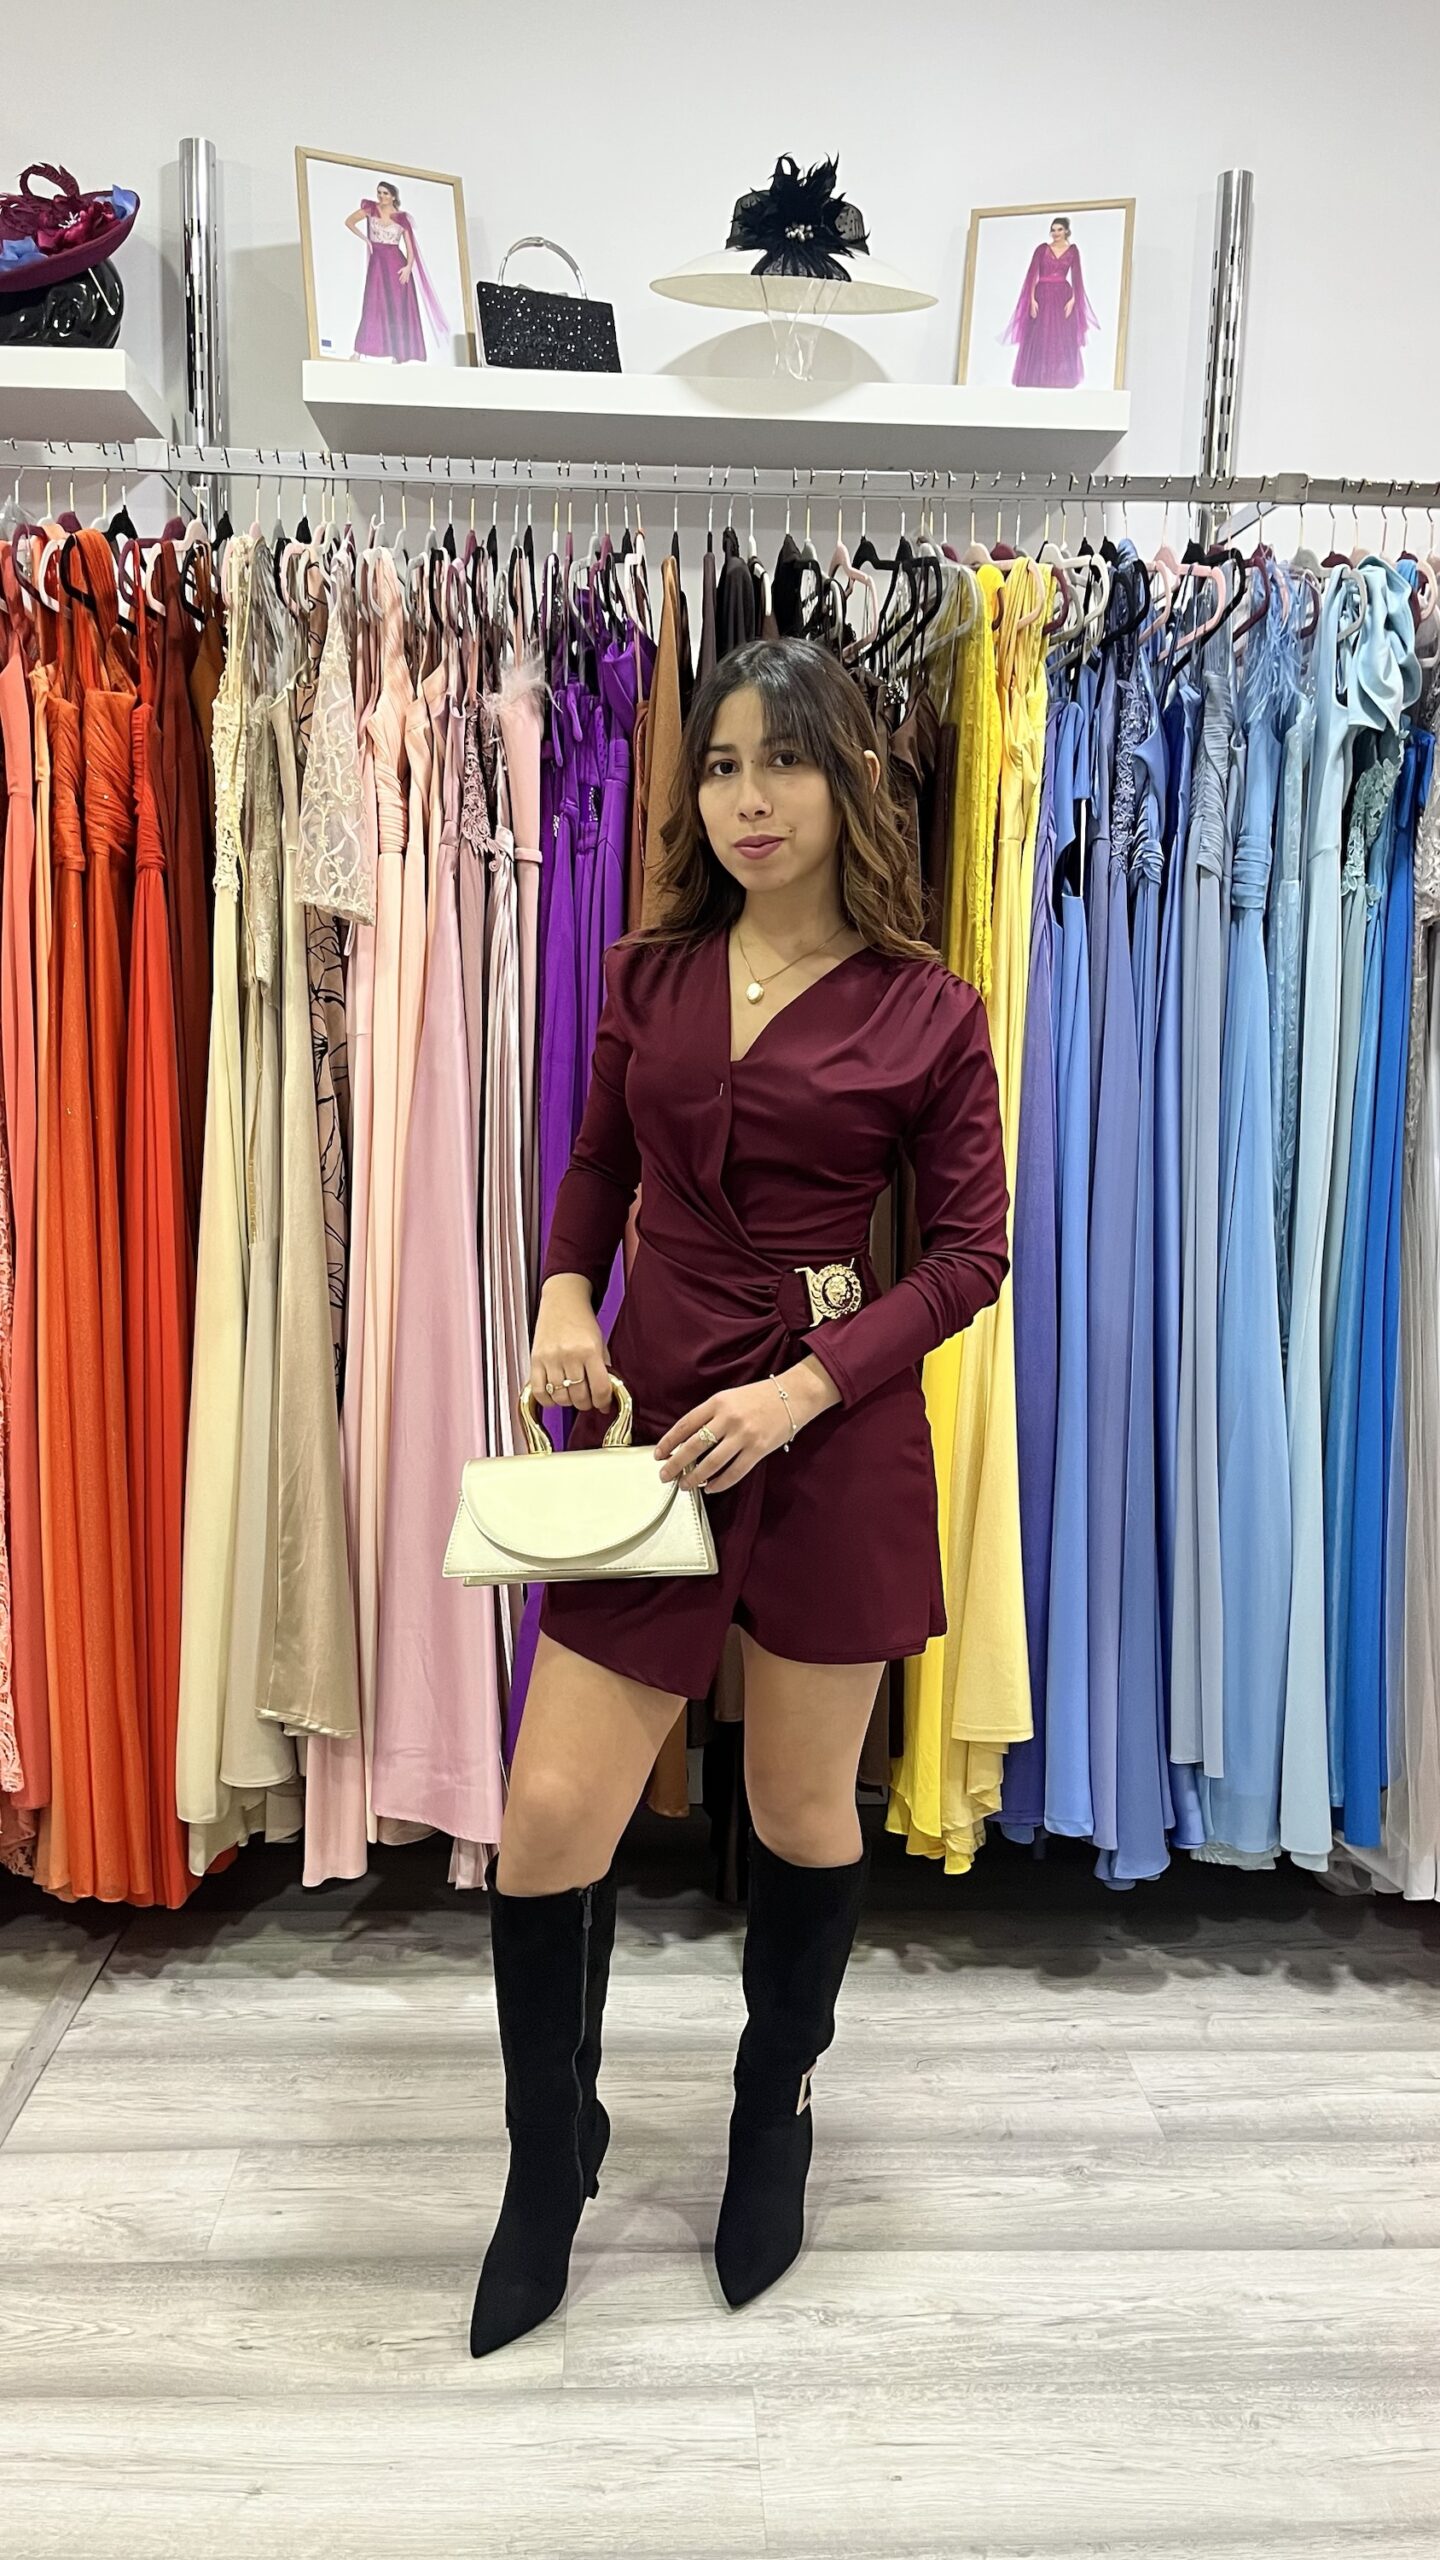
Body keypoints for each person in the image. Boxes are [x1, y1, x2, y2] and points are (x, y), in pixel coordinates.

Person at [472, 638, 1010, 2357]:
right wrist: (566, 1297)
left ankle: (773, 2111)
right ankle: (548, 2157)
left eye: (782, 761)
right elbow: (597, 1165)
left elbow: (970, 1254)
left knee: (794, 1806)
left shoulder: (930, 1010)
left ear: (850, 778)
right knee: (550, 1817)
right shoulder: (650, 972)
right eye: (719, 764)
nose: (747, 798)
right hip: (654, 1424)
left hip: (830, 1433)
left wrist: (803, 1389)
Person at [346, 179, 448, 364]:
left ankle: (397, 354)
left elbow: (410, 249)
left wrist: (408, 267)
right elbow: (349, 222)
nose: (381, 196)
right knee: (371, 305)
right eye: (379, 192)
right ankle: (358, 351)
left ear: (393, 196)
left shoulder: (402, 219)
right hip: (377, 264)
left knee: (396, 307)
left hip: (395, 265)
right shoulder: (371, 209)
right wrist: (366, 240)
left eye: (385, 193)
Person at [1003, 215, 1099, 390]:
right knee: (1040, 335)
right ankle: (1036, 380)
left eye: (1059, 229)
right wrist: (1031, 299)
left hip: (1063, 296)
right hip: (1042, 295)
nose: (1056, 233)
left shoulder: (1073, 251)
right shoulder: (1042, 249)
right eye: (1053, 230)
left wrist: (1073, 300)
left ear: (1066, 231)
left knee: (1061, 337)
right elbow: (1031, 276)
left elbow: (1077, 278)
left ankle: (1059, 380)